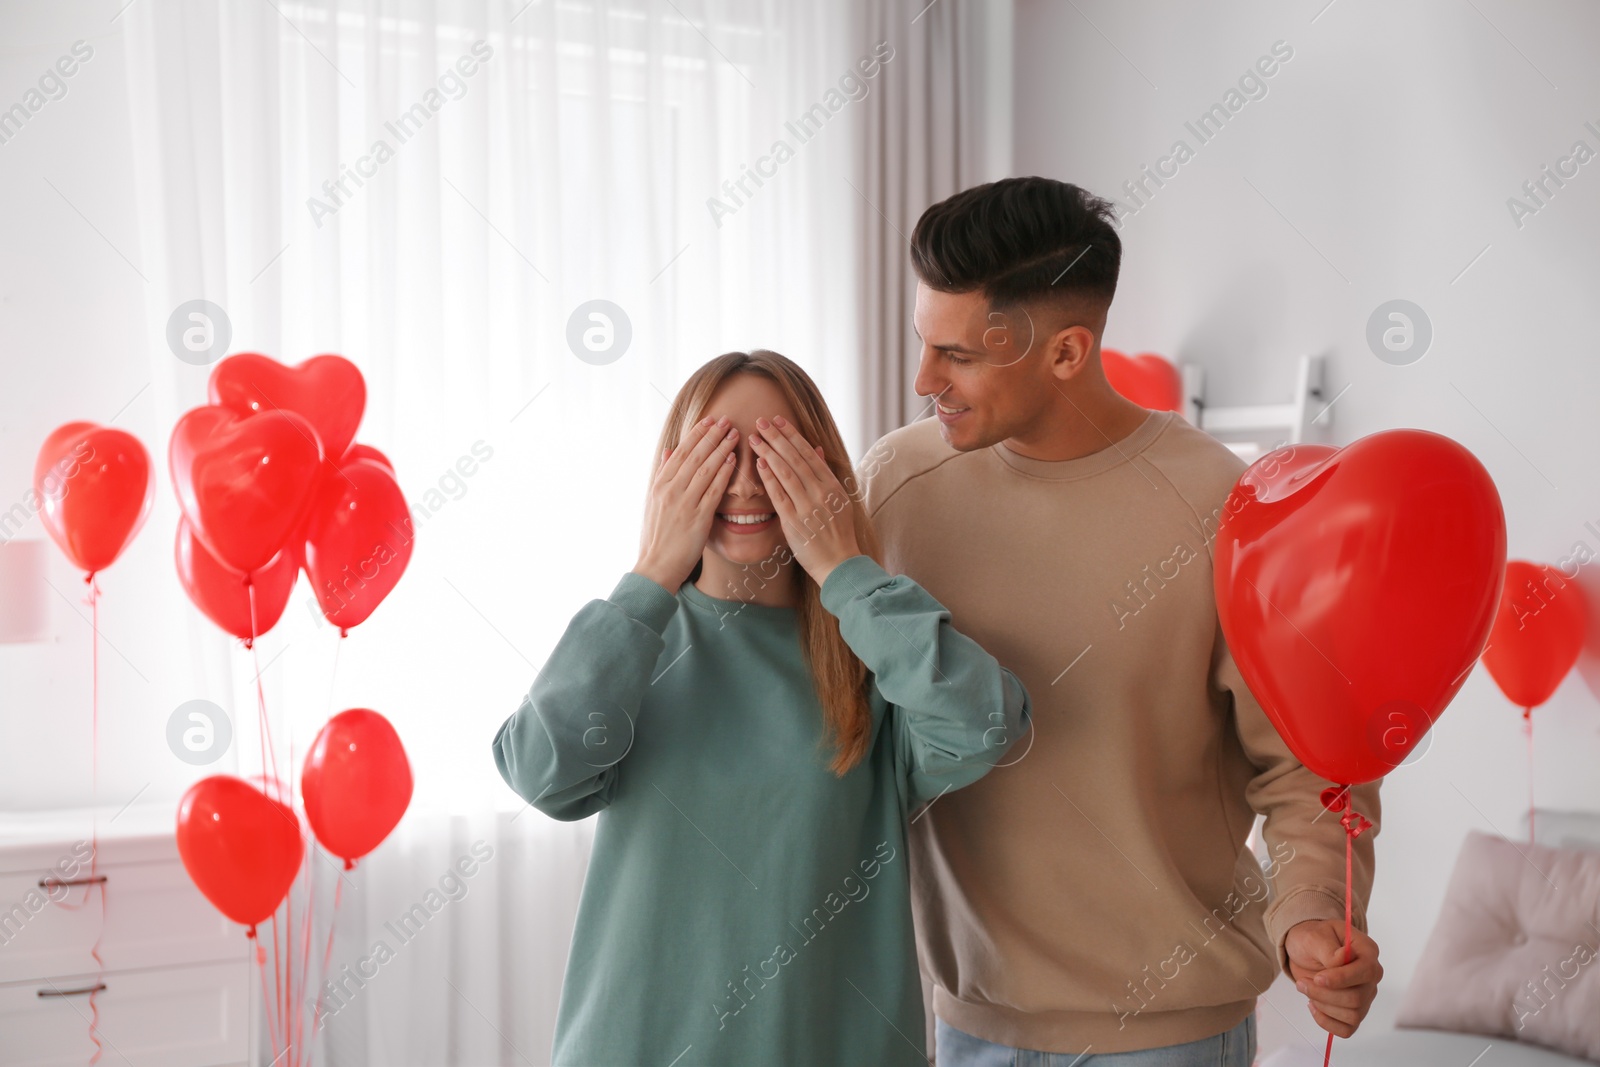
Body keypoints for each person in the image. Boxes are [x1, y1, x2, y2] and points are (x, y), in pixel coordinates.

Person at [857, 177, 1384, 1065]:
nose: (923, 382)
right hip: (967, 1025)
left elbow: (1307, 767)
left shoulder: (1223, 507)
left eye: (958, 356)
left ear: (1067, 353)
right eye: (923, 343)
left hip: (1172, 1036)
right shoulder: (895, 489)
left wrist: (1308, 921)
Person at [492, 349, 1032, 1066]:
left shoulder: (872, 652)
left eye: (773, 454)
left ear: (821, 473)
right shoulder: (633, 641)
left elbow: (985, 724)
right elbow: (539, 771)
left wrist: (844, 570)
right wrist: (652, 571)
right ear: (672, 472)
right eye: (716, 455)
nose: (745, 483)